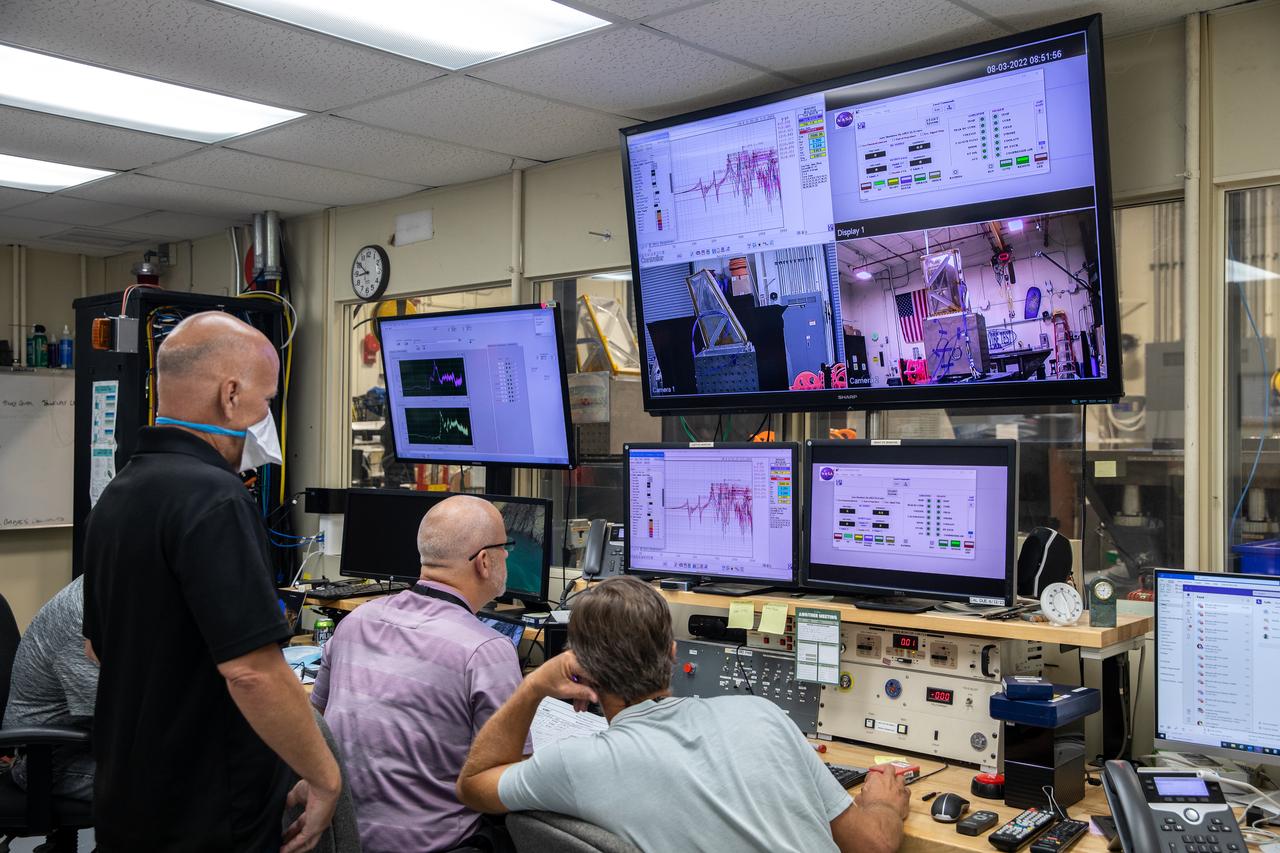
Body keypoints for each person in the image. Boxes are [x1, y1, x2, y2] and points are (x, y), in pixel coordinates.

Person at [81, 311, 340, 853]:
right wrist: (323, 776)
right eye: (266, 401)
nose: (266, 417)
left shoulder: (119, 493)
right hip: (207, 808)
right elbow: (252, 671)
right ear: (231, 395)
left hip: (129, 794)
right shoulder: (216, 499)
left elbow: (97, 646)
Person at [458, 576, 911, 853]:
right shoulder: (764, 715)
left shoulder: (576, 765)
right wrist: (880, 804)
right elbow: (873, 844)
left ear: (584, 672)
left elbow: (474, 784)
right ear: (673, 654)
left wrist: (533, 686)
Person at [312, 494, 524, 853]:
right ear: (485, 562)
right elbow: (512, 777)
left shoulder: (356, 621)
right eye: (507, 547)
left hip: (345, 838)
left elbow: (315, 721)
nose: (508, 555)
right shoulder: (486, 650)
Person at [3, 575, 97, 801]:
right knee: (175, 784)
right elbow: (120, 719)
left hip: (88, 743)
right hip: (49, 761)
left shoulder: (109, 591)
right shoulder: (81, 619)